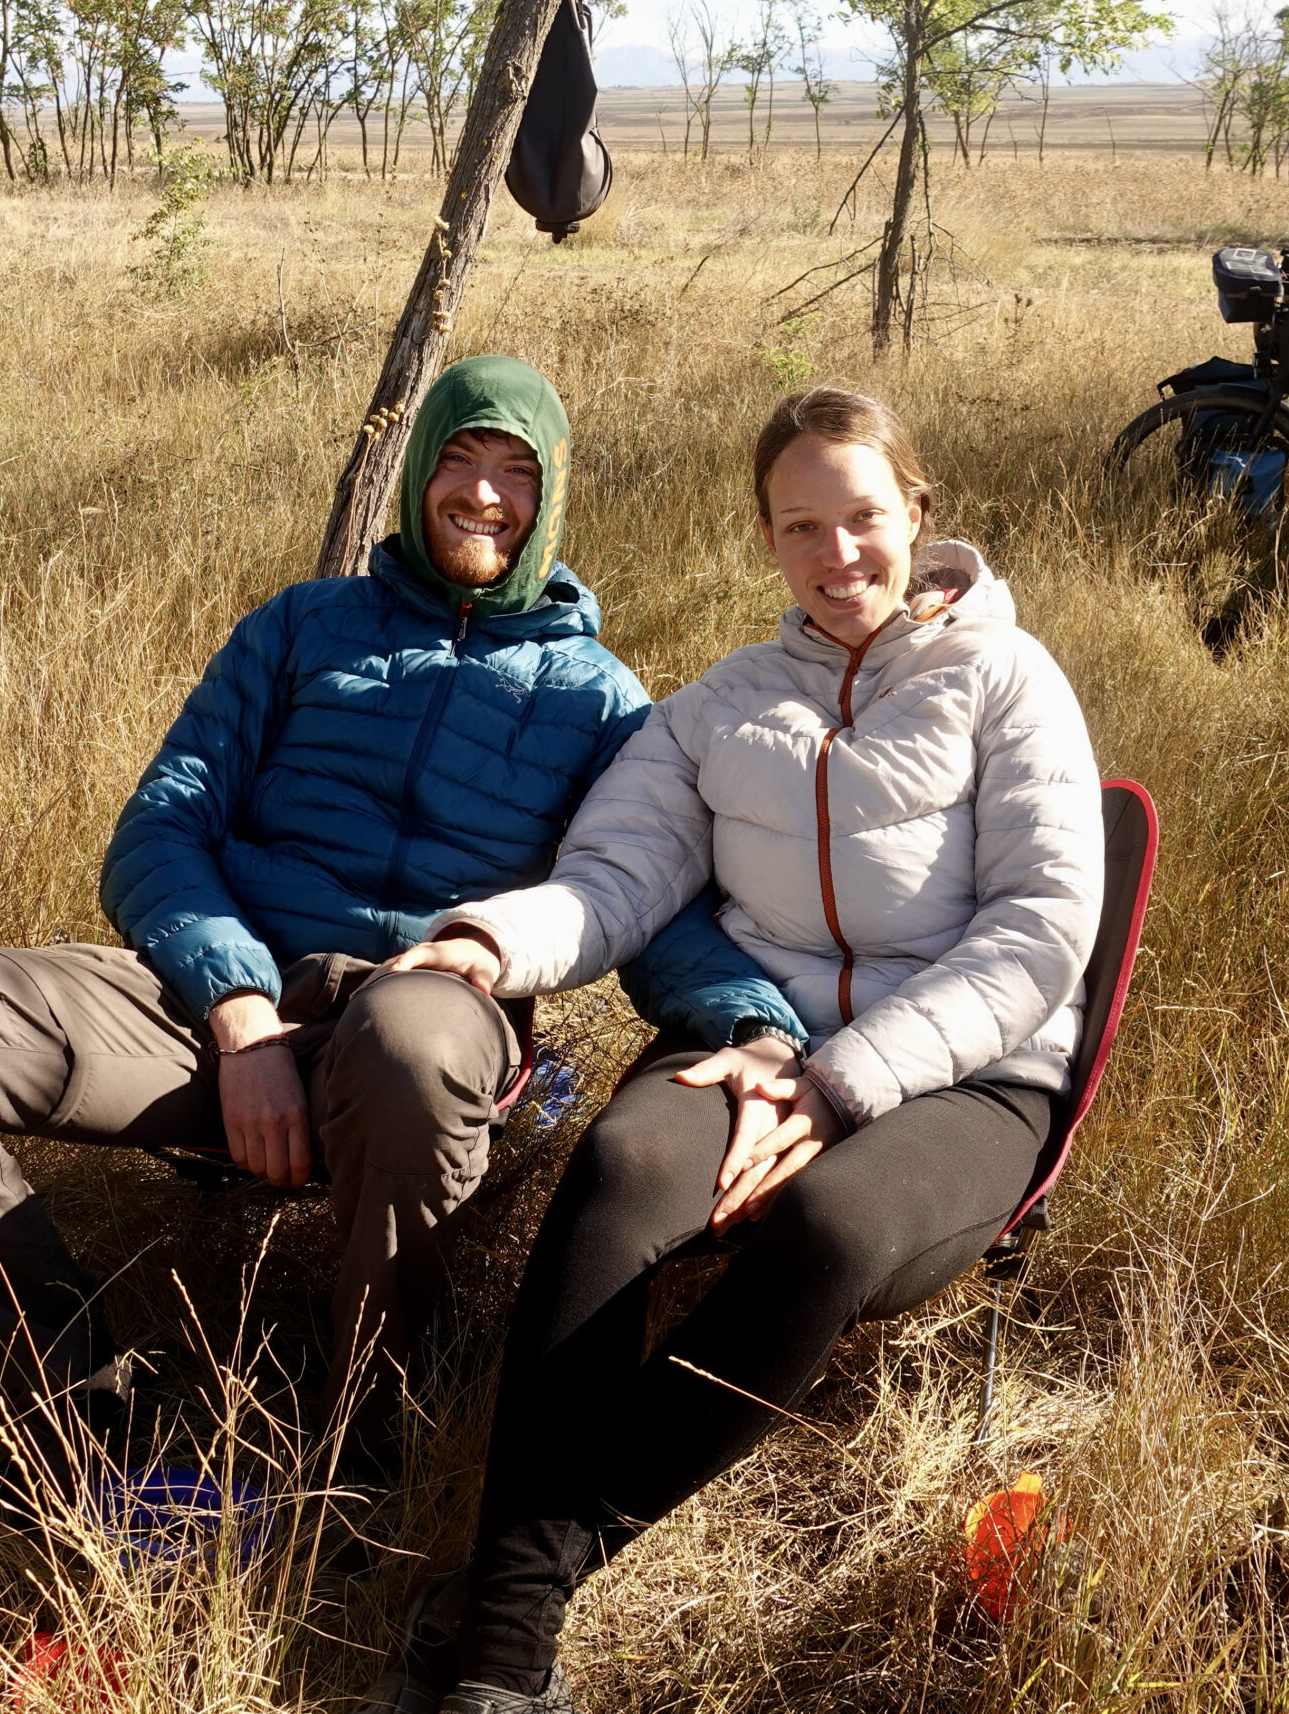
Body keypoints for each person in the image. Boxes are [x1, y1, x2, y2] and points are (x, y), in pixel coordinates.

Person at [0, 356, 803, 1481]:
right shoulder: (302, 627)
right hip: (215, 991)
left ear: (551, 495)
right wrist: (239, 1008)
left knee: (412, 1038)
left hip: (428, 1010)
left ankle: (364, 1442)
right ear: (417, 473)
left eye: (516, 470)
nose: (481, 493)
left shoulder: (600, 699)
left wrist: (757, 1027)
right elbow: (161, 827)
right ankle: (68, 1409)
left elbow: (642, 898)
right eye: (458, 457)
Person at [381, 385, 1106, 1714]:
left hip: (967, 1073)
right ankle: (509, 1665)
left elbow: (1040, 933)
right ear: (768, 541)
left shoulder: (1009, 679)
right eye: (802, 526)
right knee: (619, 1167)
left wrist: (840, 1087)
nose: (839, 556)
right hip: (756, 1041)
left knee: (824, 1228)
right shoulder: (722, 706)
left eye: (864, 517)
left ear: (917, 512)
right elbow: (613, 878)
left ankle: (507, 1594)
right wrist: (488, 943)